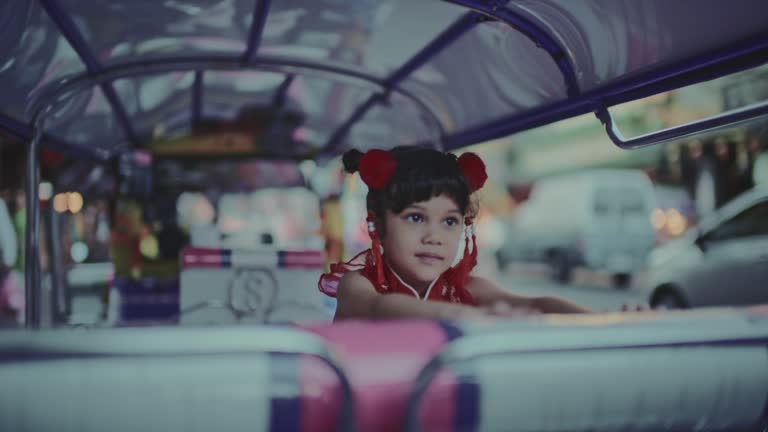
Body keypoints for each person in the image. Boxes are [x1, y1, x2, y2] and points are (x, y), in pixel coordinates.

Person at [318, 146, 591, 321]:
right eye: (415, 217)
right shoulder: (357, 286)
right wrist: (471, 317)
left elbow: (538, 303)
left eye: (449, 221)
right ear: (377, 224)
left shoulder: (467, 289)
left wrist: (606, 321)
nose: (434, 237)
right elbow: (380, 308)